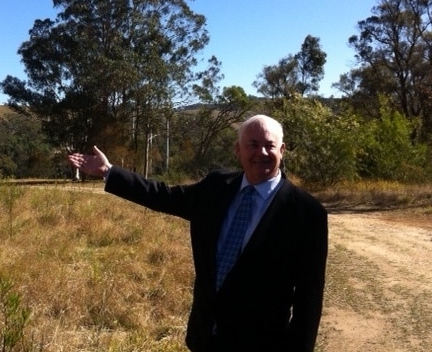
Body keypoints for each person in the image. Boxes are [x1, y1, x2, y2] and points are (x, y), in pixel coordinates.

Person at [67, 114, 328, 352]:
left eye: (270, 145)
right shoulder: (217, 187)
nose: (262, 152)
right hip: (205, 337)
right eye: (252, 144)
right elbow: (164, 197)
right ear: (238, 149)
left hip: (261, 344)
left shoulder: (306, 213)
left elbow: (309, 300)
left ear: (282, 150)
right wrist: (109, 172)